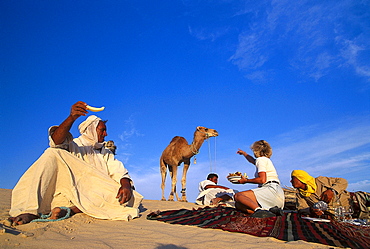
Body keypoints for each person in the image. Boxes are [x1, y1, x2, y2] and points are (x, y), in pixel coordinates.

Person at [8, 101, 143, 225]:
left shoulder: (104, 152)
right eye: (102, 130)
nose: (106, 134)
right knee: (52, 153)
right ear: (91, 129)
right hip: (72, 189)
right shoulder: (74, 145)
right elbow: (56, 141)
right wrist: (72, 117)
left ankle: (70, 210)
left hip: (95, 191)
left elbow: (118, 170)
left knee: (131, 196)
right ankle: (29, 211)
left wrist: (125, 184)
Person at [232, 140, 285, 218]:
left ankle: (259, 210)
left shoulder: (261, 160)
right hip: (278, 196)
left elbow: (262, 180)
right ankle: (270, 211)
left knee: (238, 196)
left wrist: (246, 181)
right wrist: (244, 154)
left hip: (270, 190)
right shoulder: (264, 160)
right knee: (239, 204)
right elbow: (253, 161)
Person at [291, 170, 369, 219]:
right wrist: (312, 210)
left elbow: (343, 181)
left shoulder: (320, 181)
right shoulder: (300, 195)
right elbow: (302, 209)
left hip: (358, 201)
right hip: (352, 214)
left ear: (301, 178)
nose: (291, 181)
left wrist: (332, 190)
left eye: (293, 178)